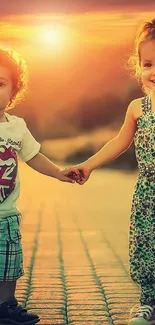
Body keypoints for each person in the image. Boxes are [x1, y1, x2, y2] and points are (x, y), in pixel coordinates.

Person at [65, 18, 155, 324]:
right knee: (147, 248)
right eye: (147, 63)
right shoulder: (136, 108)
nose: (152, 72)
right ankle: (149, 303)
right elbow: (119, 142)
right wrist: (88, 165)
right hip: (148, 192)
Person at [0, 47, 79, 325]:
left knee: (9, 264)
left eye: (0, 83)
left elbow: (33, 155)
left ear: (13, 91)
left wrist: (58, 172)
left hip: (5, 214)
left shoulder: (16, 127)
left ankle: (6, 307)